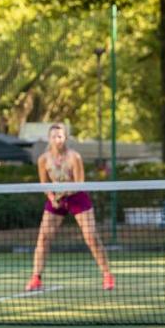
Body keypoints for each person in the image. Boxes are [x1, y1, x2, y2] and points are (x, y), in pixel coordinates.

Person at [26, 123, 114, 292]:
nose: (57, 140)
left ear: (65, 138)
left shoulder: (75, 157)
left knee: (91, 237)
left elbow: (80, 183)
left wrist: (64, 193)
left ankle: (107, 275)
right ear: (49, 139)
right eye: (53, 136)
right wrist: (52, 198)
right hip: (56, 200)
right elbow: (44, 184)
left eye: (60, 136)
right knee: (43, 239)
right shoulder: (43, 159)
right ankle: (36, 278)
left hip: (77, 197)